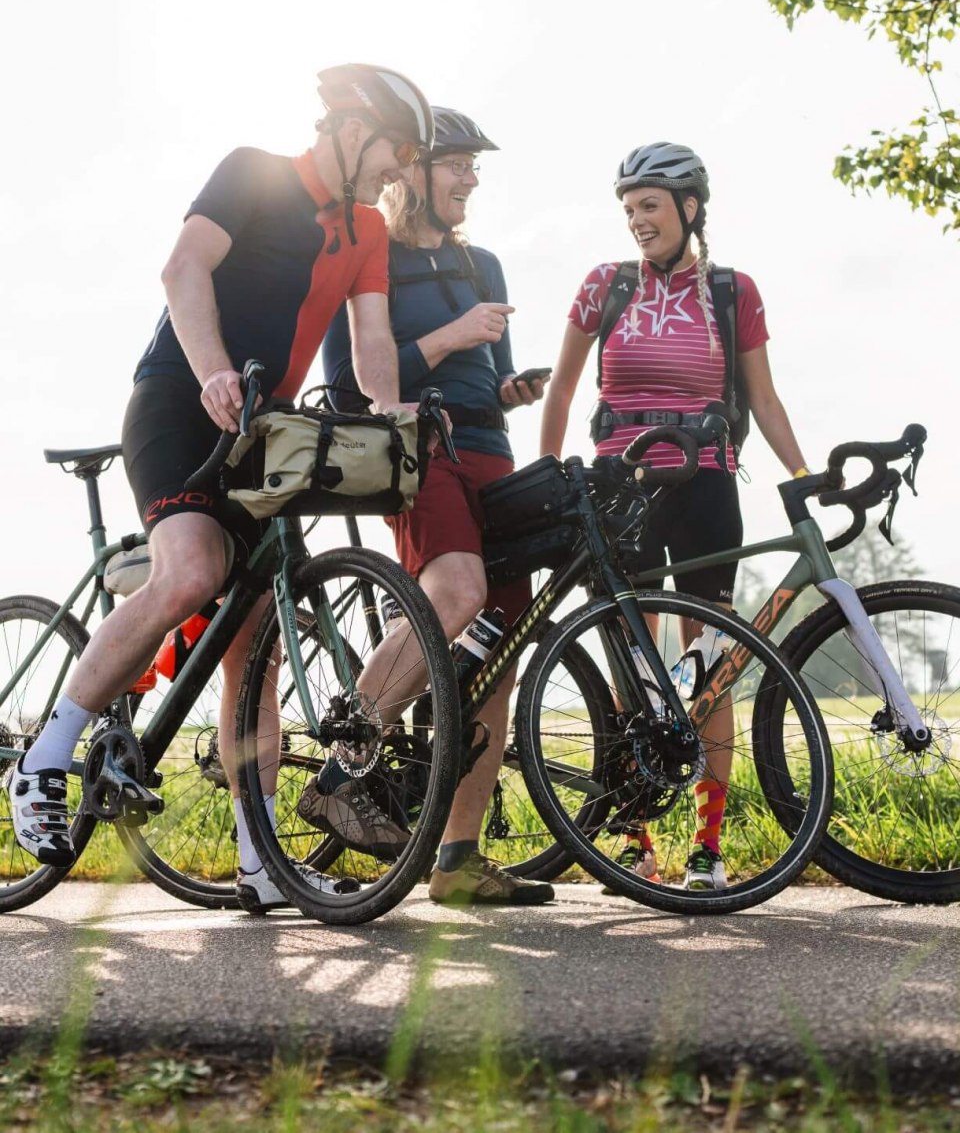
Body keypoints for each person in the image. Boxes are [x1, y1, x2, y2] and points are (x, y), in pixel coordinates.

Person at [12, 63, 434, 913]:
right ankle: (43, 756)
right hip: (179, 399)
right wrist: (211, 373)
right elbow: (182, 270)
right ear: (351, 130)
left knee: (257, 647)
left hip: (262, 431)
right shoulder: (253, 171)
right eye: (395, 148)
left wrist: (392, 419)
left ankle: (259, 857)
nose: (401, 170)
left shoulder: (365, 231)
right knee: (194, 568)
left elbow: (373, 339)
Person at [539, 142, 808, 891]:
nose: (636, 221)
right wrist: (554, 471)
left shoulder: (732, 290)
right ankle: (634, 834)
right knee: (630, 660)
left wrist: (802, 474)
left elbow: (766, 398)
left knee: (710, 666)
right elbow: (560, 389)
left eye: (649, 205)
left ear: (690, 209)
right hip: (619, 487)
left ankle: (708, 844)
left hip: (706, 485)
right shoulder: (604, 286)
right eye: (628, 209)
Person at [314, 107, 555, 905]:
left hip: (492, 450)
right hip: (419, 447)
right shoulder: (367, 252)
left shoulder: (483, 263)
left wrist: (514, 388)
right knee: (455, 592)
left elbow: (491, 374)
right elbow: (352, 386)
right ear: (412, 169)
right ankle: (343, 767)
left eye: (475, 167)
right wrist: (452, 336)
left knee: (503, 646)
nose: (471, 180)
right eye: (458, 164)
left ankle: (457, 858)